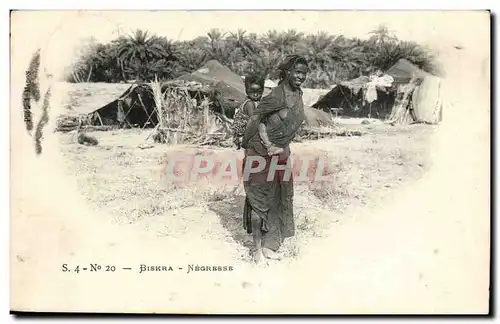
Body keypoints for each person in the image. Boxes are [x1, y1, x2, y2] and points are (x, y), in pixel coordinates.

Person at [241, 55, 308, 265]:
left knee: (279, 196)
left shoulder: (297, 94)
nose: (300, 76)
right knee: (259, 201)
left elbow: (293, 122)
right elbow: (255, 118)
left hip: (281, 153)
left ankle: (271, 243)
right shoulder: (276, 96)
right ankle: (257, 250)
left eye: (304, 72)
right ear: (287, 72)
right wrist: (248, 143)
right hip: (261, 153)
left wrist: (281, 145)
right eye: (297, 71)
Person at [232, 74, 281, 154]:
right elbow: (254, 121)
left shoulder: (258, 101)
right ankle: (269, 146)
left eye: (259, 92)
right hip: (243, 135)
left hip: (252, 131)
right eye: (252, 92)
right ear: (246, 90)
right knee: (262, 126)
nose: (255, 94)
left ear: (262, 90)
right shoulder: (249, 104)